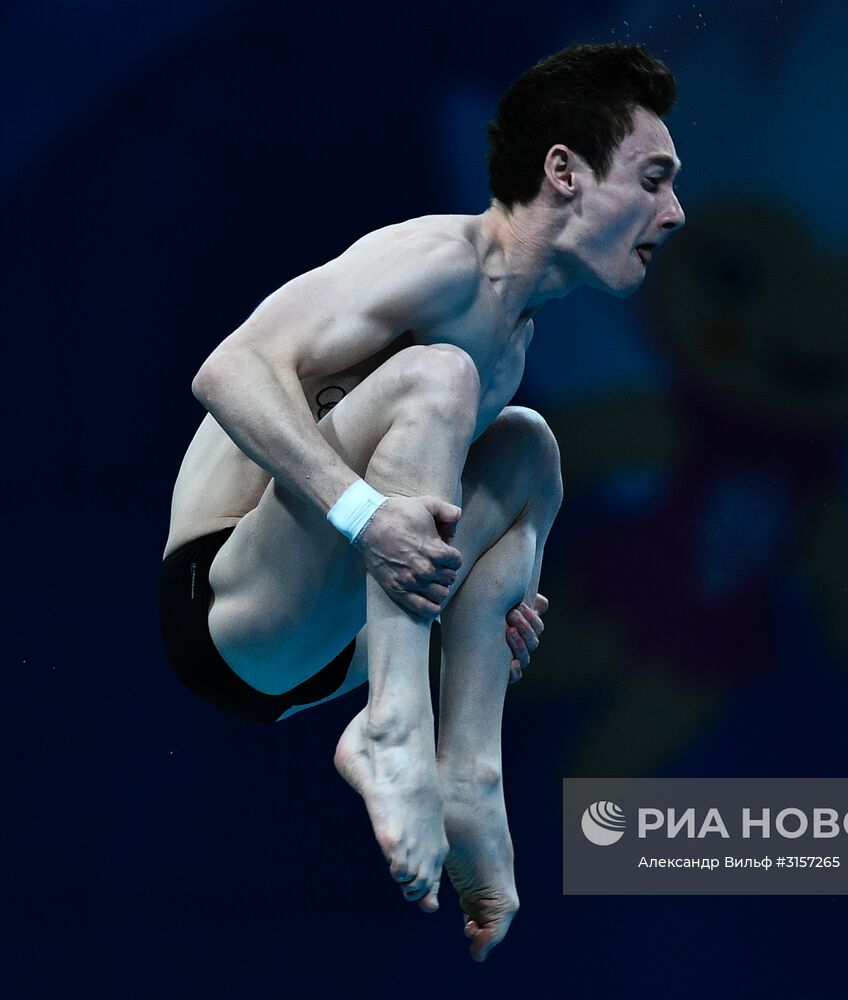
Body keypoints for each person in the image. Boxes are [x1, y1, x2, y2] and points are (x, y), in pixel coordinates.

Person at [157, 42, 685, 961]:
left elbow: (419, 513)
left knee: (529, 448)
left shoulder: (513, 340)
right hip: (226, 605)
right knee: (435, 379)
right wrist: (364, 513)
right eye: (653, 177)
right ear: (562, 170)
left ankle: (467, 772)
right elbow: (226, 372)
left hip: (334, 644)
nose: (673, 213)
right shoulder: (437, 262)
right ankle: (399, 726)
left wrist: (493, 600)